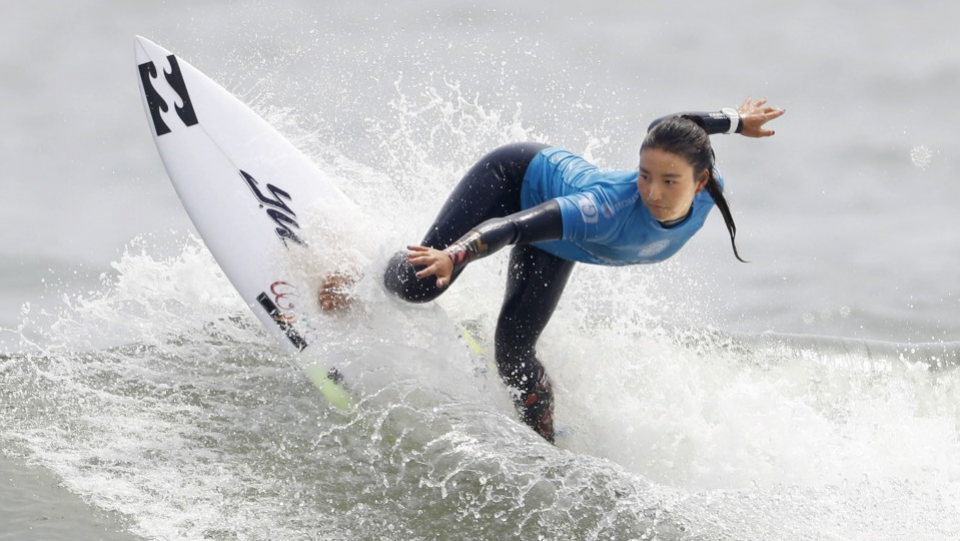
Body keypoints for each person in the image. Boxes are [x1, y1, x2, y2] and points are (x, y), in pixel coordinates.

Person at [320, 98, 785, 443]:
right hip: (516, 181)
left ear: (700, 180)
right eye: (644, 175)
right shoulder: (604, 207)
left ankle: (543, 444)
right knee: (420, 284)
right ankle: (359, 272)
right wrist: (454, 255)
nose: (652, 191)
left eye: (669, 181)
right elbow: (512, 227)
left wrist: (737, 122)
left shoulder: (710, 187)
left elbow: (684, 126)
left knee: (513, 352)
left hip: (561, 239)